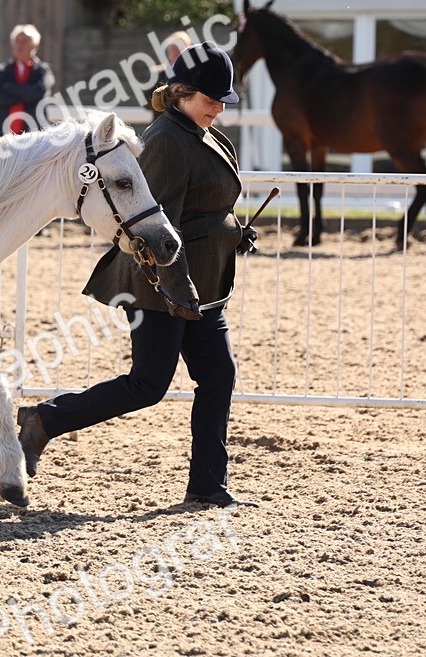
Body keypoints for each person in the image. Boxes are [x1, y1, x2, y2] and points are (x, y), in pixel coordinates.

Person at [15, 41, 260, 508]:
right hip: (162, 284)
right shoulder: (168, 141)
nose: (218, 109)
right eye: (210, 100)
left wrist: (232, 232)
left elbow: (207, 206)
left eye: (222, 101)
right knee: (147, 384)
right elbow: (154, 227)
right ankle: (44, 420)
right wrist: (176, 288)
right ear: (182, 93)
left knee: (218, 376)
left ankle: (208, 485)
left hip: (204, 285)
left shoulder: (203, 132)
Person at [0, 24, 55, 136]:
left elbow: (39, 92)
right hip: (5, 135)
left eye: (24, 41)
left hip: (35, 135)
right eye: (17, 41)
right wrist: (27, 95)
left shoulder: (43, 70)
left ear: (34, 45)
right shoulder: (2, 70)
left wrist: (9, 87)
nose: (20, 46)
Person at [147, 30, 193, 118]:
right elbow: (146, 103)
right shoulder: (157, 73)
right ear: (168, 51)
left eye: (180, 47)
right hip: (162, 123)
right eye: (173, 47)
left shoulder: (196, 73)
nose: (177, 51)